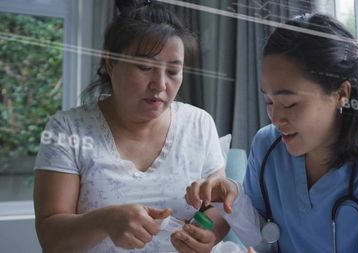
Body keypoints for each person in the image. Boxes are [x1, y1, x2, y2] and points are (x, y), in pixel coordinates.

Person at [185, 13, 358, 253]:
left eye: (290, 103)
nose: (276, 118)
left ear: (341, 94)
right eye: (269, 102)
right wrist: (233, 198)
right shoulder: (268, 147)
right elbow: (263, 238)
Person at [33, 1, 229, 252]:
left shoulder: (199, 124)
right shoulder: (68, 129)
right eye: (145, 67)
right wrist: (105, 220)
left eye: (172, 71)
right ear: (111, 63)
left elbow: (217, 209)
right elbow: (51, 239)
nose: (160, 84)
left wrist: (208, 235)